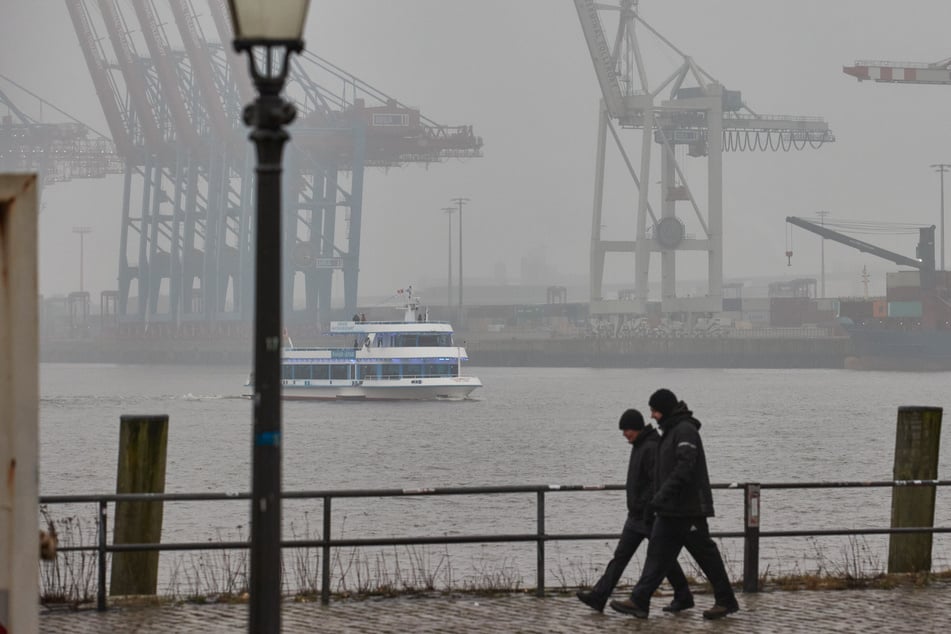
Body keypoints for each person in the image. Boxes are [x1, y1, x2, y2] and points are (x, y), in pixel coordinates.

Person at [609, 389, 739, 620]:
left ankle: (725, 600)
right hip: (670, 509)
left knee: (705, 555)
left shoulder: (684, 431)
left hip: (687, 509)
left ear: (665, 409)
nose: (651, 415)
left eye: (654, 410)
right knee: (657, 554)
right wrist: (657, 503)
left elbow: (684, 469)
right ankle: (639, 601)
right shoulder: (669, 432)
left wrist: (658, 498)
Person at [576, 409, 694, 613]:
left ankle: (682, 595)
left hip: (647, 514)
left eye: (627, 430)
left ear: (637, 428)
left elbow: (656, 481)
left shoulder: (650, 447)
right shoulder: (640, 445)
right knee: (624, 557)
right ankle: (599, 596)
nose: (624, 434)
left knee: (661, 558)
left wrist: (645, 505)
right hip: (636, 515)